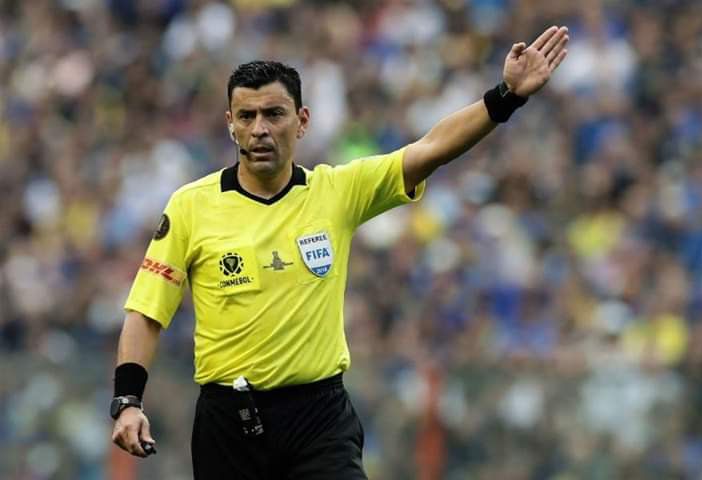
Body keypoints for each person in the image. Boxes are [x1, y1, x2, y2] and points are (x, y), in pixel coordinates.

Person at [110, 25, 569, 479]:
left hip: (318, 417)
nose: (259, 129)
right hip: (229, 424)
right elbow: (147, 311)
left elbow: (429, 149)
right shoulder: (191, 206)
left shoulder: (336, 192)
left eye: (274, 114)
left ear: (302, 120)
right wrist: (128, 401)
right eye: (246, 116)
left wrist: (506, 97)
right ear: (230, 123)